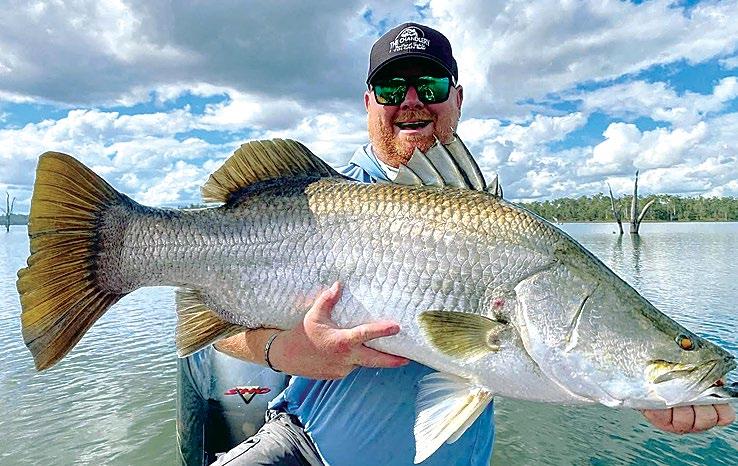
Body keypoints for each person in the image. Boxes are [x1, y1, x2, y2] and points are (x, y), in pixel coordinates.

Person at [208, 22, 735, 466]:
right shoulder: (312, 196)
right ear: (368, 102)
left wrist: (645, 389)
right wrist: (286, 350)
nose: (411, 100)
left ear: (456, 98)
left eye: (431, 84)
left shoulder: (501, 226)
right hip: (306, 449)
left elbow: (561, 358)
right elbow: (217, 331)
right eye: (391, 88)